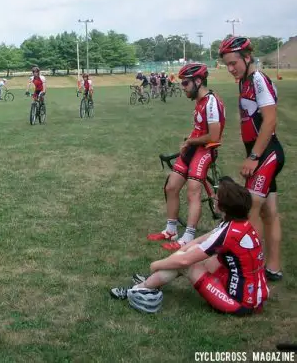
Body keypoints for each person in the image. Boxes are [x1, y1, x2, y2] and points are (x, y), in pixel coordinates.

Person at [111, 177, 268, 315]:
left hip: (239, 304)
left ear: (223, 207)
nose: (213, 198)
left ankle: (139, 289)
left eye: (216, 198)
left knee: (188, 264)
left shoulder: (228, 233)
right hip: (253, 296)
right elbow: (198, 242)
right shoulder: (239, 224)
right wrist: (179, 254)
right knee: (193, 256)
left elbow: (185, 262)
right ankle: (150, 283)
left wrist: (156, 264)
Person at [219, 36, 285, 281]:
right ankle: (272, 268)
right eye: (227, 64)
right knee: (269, 212)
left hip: (267, 154)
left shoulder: (258, 80)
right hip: (261, 155)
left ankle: (250, 270)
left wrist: (254, 157)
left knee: (250, 210)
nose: (230, 68)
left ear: (247, 58)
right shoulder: (244, 81)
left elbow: (270, 120)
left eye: (233, 63)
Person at [147, 63, 225, 250]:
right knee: (171, 186)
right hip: (193, 149)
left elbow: (214, 136)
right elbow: (199, 129)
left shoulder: (211, 102)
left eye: (185, 84)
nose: (183, 88)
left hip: (206, 150)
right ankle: (171, 230)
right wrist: (189, 141)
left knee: (193, 191)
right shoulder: (199, 101)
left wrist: (191, 142)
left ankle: (188, 237)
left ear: (198, 81)